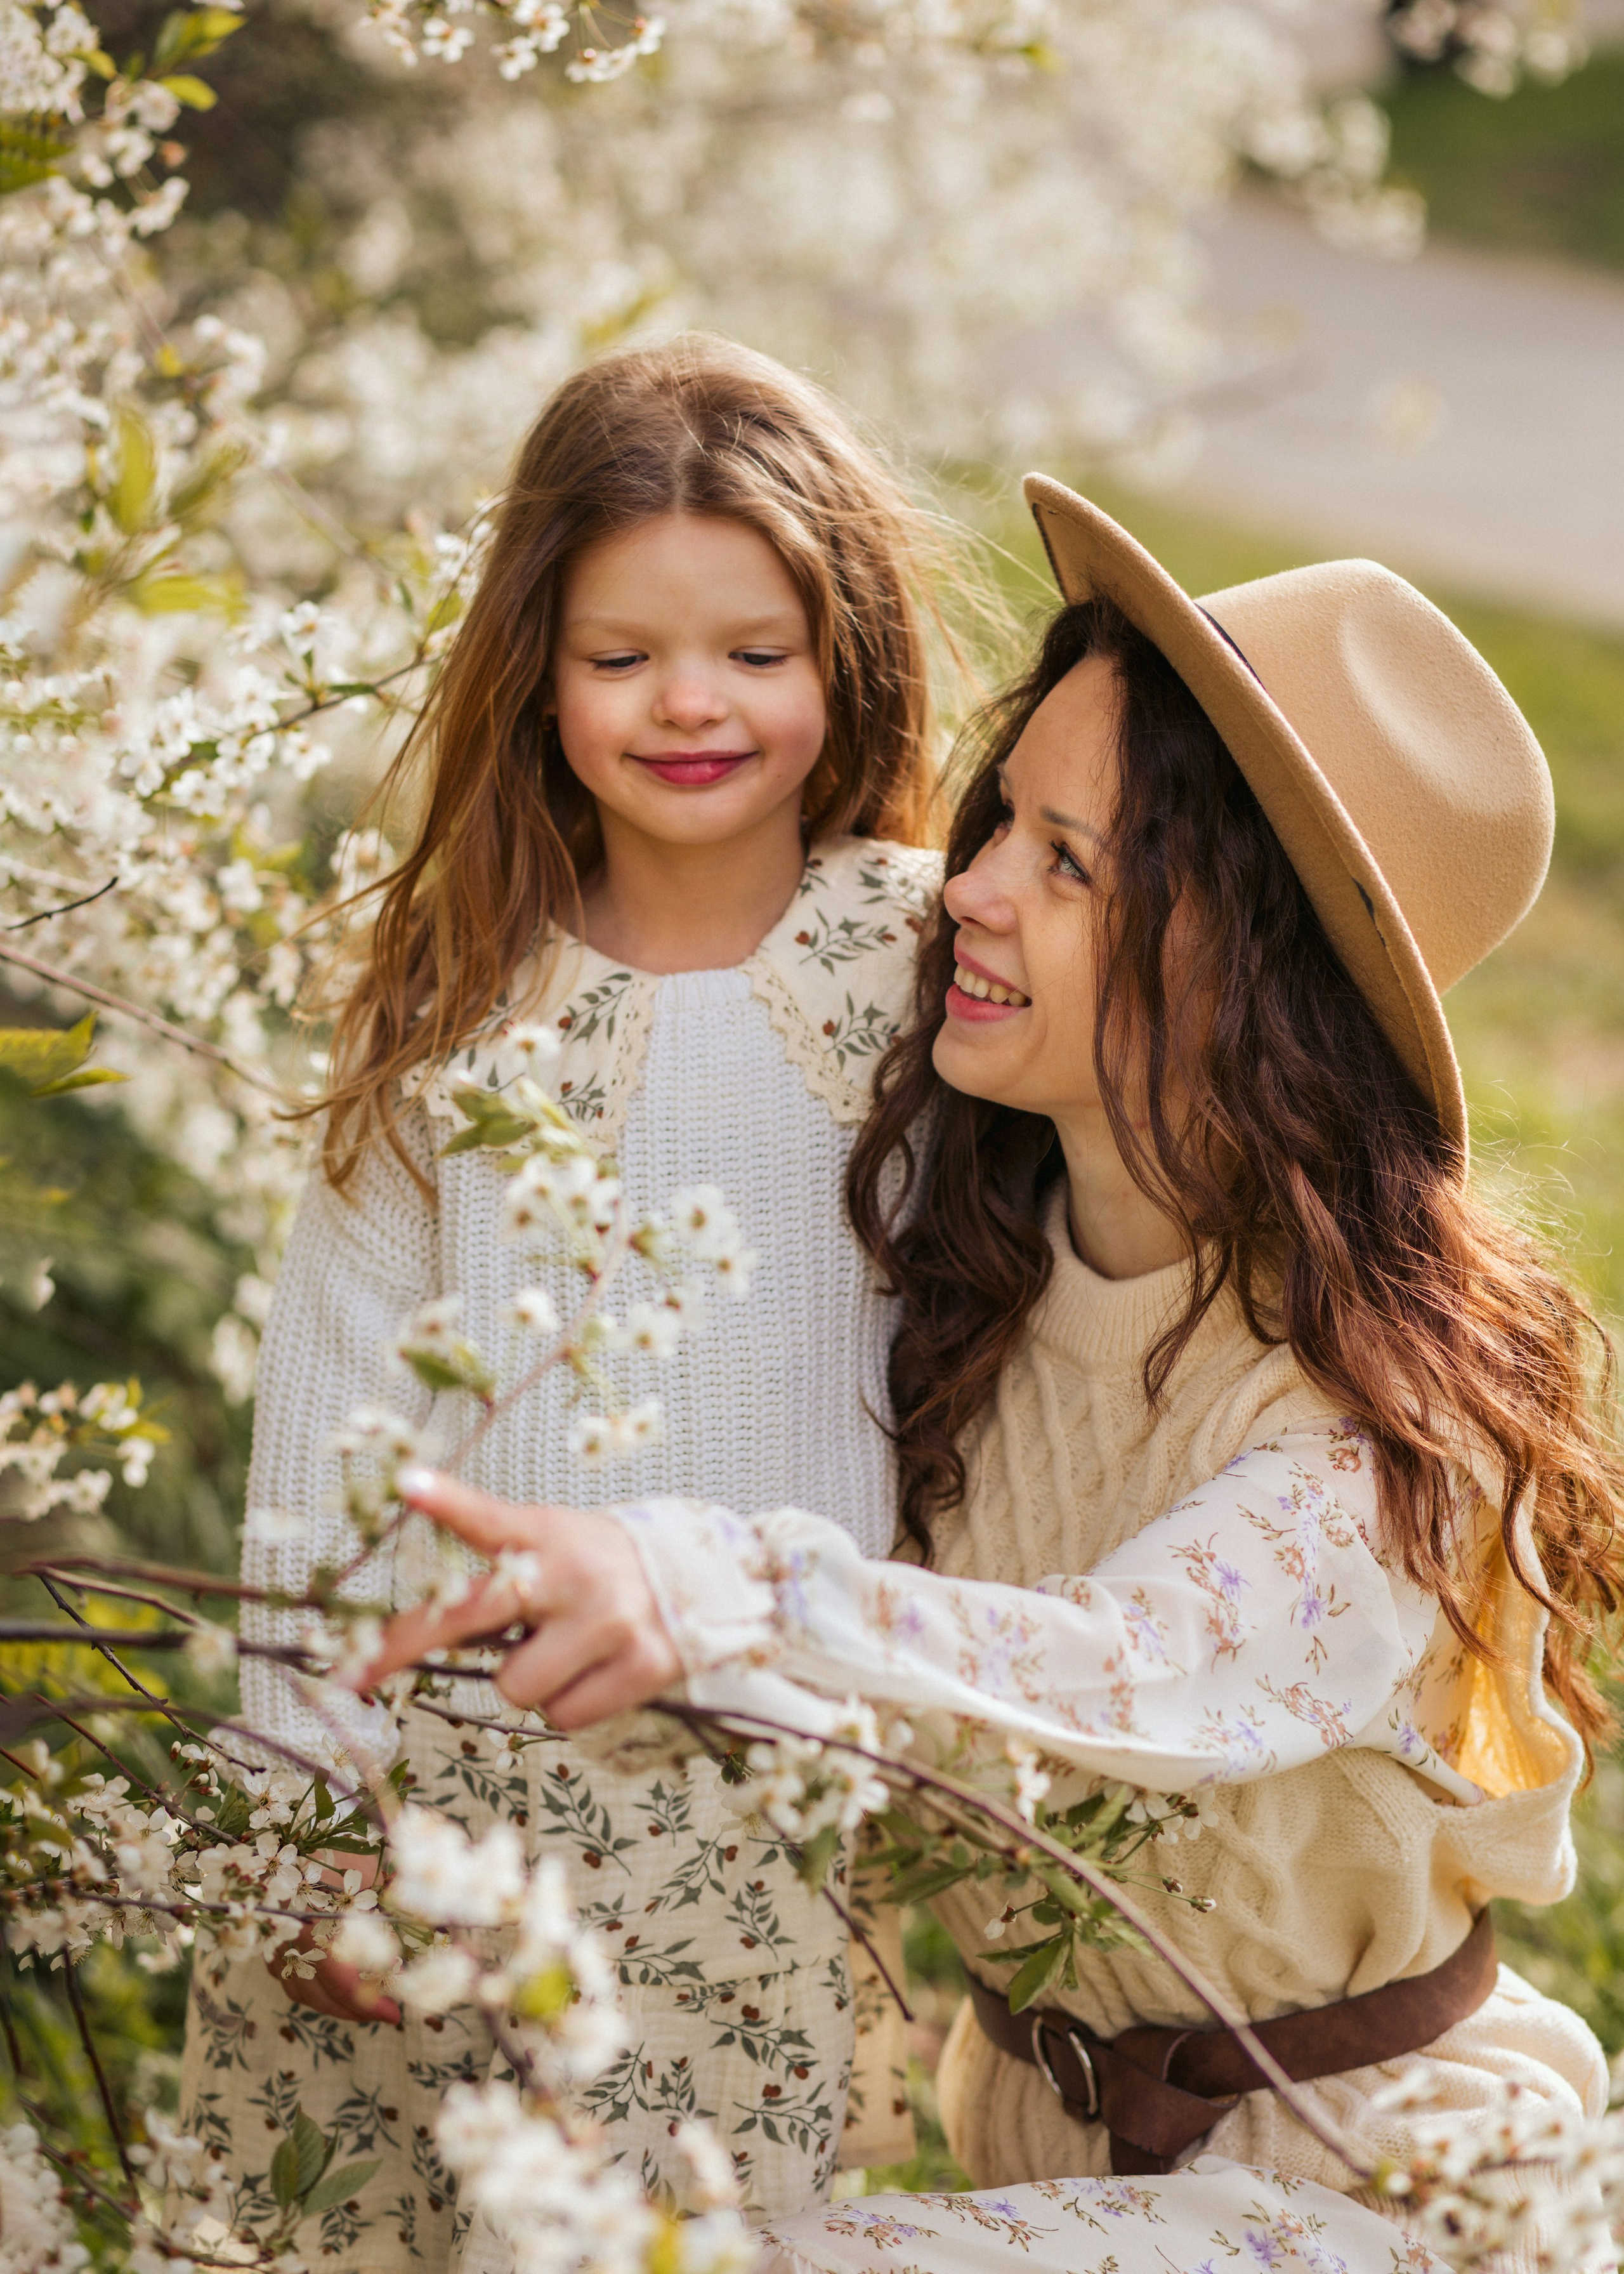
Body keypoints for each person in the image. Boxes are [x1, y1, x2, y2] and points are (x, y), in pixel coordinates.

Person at [367, 478, 1624, 2273]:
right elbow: (851, 1715)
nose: (966, 888)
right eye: (1003, 824)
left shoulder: (1369, 1455)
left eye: (1067, 861)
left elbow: (1114, 1669)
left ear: (1240, 968)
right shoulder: (976, 1281)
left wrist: (718, 1585)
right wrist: (441, 1888)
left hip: (1380, 2202)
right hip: (1071, 2169)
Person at [179, 335, 980, 2271]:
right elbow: (339, 1402)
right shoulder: (469, 999)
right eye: (622, 658)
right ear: (536, 672)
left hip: (766, 1780)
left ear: (846, 658)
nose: (688, 703)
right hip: (452, 1785)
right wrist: (314, 1793)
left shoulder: (930, 963)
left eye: (754, 654)